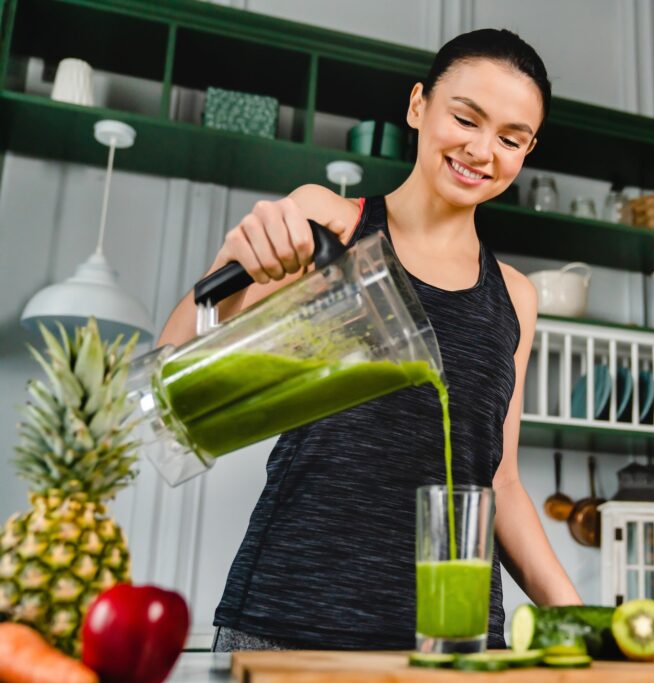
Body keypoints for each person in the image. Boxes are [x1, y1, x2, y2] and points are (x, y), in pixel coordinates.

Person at [157, 28, 582, 651]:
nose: (483, 150)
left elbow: (501, 484)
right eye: (466, 118)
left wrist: (582, 618)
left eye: (511, 139)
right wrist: (231, 266)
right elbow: (176, 376)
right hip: (291, 621)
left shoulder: (515, 296)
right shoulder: (331, 224)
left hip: (454, 641)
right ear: (418, 106)